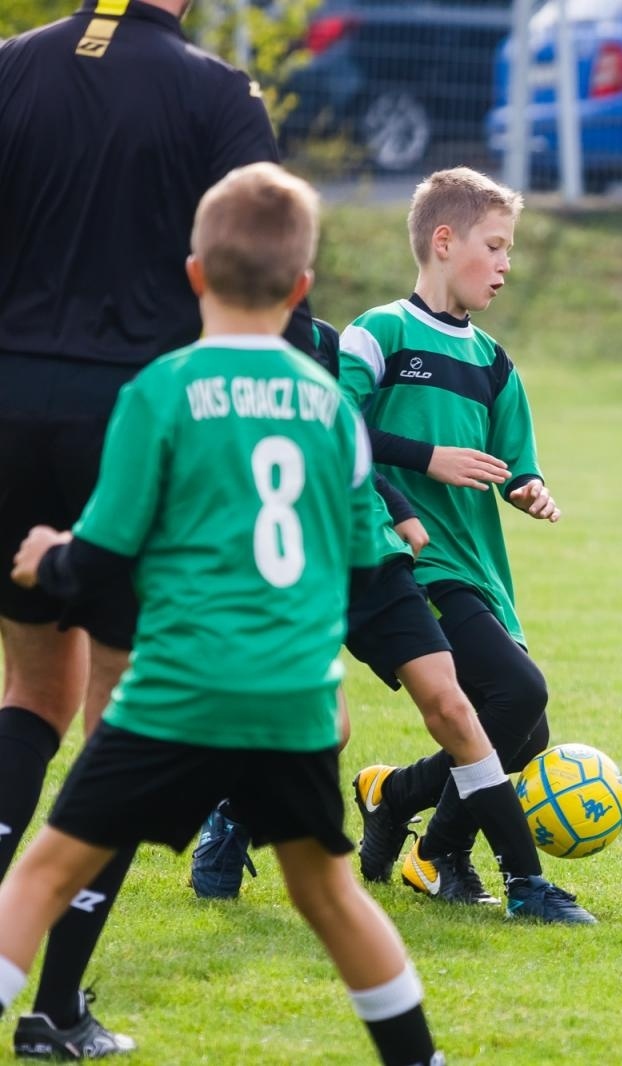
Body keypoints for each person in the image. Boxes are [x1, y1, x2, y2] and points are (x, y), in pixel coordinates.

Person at [0, 163, 443, 1065]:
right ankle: (418, 1058)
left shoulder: (161, 391)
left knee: (45, 874)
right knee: (327, 895)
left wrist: (49, 558)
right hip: (292, 701)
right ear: (302, 289)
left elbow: (103, 560)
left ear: (193, 275)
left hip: (179, 692)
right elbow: (367, 566)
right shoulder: (329, 408)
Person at [0, 0, 310, 1053]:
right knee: (116, 715)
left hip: (6, 406)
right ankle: (53, 1006)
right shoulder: (216, 91)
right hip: (129, 422)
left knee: (30, 688)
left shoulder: (12, 66)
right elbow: (270, 269)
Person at [189, 308, 594, 923]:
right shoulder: (197, 367)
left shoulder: (324, 342)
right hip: (295, 561)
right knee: (328, 731)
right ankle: (236, 812)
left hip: (377, 552)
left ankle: (525, 885)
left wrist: (397, 505)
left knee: (461, 711)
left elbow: (344, 435)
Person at [335, 168, 579, 913]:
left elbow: (516, 461)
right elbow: (333, 424)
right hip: (412, 561)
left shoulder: (495, 364)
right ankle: (439, 854)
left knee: (525, 730)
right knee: (517, 692)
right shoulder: (380, 333)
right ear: (444, 241)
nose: (507, 265)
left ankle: (394, 795)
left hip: (479, 571)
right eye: (495, 247)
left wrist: (528, 488)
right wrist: (423, 457)